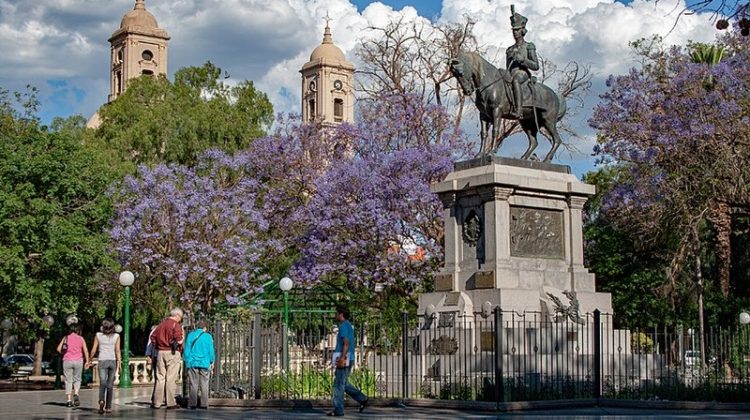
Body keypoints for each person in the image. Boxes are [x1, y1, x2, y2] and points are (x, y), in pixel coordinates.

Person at [328, 306, 367, 417]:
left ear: (341, 314)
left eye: (336, 313)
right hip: (349, 358)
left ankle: (338, 410)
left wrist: (342, 357)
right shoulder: (349, 325)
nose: (335, 315)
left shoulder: (344, 326)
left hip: (344, 359)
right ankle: (362, 399)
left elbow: (346, 343)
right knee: (344, 383)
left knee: (338, 385)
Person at [505, 5, 539, 118]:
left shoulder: (529, 46)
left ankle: (519, 110)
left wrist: (523, 60)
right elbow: (507, 68)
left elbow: (535, 66)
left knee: (515, 80)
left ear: (522, 30)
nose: (515, 32)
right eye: (514, 30)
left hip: (522, 73)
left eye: (517, 30)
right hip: (511, 73)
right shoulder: (509, 49)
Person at [150, 308, 184, 410]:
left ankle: (156, 402)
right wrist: (182, 339)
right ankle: (170, 402)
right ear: (177, 315)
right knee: (170, 378)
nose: (180, 320)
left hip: (160, 352)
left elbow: (153, 337)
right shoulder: (175, 325)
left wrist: (157, 346)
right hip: (172, 352)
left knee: (160, 377)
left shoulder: (161, 325)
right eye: (180, 318)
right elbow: (178, 339)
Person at [88, 318, 121, 414]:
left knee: (102, 383)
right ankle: (109, 407)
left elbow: (93, 350)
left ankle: (101, 400)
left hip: (102, 360)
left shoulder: (98, 335)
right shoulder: (116, 336)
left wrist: (90, 359)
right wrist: (119, 363)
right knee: (110, 385)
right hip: (112, 361)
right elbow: (118, 351)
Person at [56, 322, 89, 408]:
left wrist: (64, 353)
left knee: (68, 380)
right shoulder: (81, 338)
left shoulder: (65, 338)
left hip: (67, 360)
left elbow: (58, 349)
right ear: (77, 330)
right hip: (78, 360)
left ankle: (69, 400)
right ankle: (76, 393)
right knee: (77, 379)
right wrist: (87, 361)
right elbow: (85, 350)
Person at [183, 320, 215, 410]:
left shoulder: (190, 335)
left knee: (193, 384)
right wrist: (212, 361)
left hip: (193, 362)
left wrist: (187, 362)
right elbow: (211, 351)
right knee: (204, 384)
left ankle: (193, 404)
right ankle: (204, 404)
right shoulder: (208, 336)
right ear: (205, 328)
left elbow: (186, 350)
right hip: (205, 362)